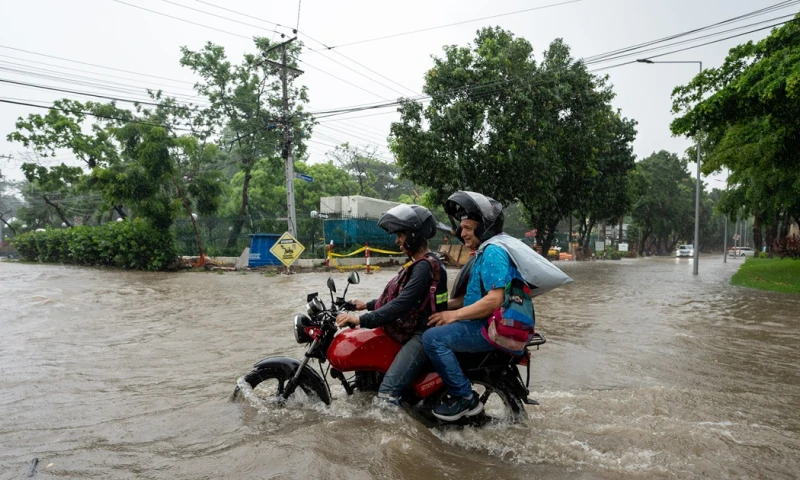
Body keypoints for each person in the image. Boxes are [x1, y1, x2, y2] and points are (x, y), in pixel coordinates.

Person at [424, 191, 524, 421]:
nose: (462, 232)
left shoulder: (493, 252)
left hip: (487, 326)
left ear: (484, 228)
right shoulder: (481, 252)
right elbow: (473, 296)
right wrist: (440, 307)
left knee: (433, 338)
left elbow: (494, 299)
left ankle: (464, 397)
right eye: (462, 227)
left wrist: (454, 316)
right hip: (479, 320)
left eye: (468, 227)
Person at [336, 204, 448, 406]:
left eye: (401, 235)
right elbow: (403, 298)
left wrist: (361, 319)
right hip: (416, 329)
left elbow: (401, 305)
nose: (397, 240)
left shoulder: (424, 266)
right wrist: (367, 305)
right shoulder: (423, 263)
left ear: (414, 234)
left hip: (421, 334)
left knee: (386, 393)